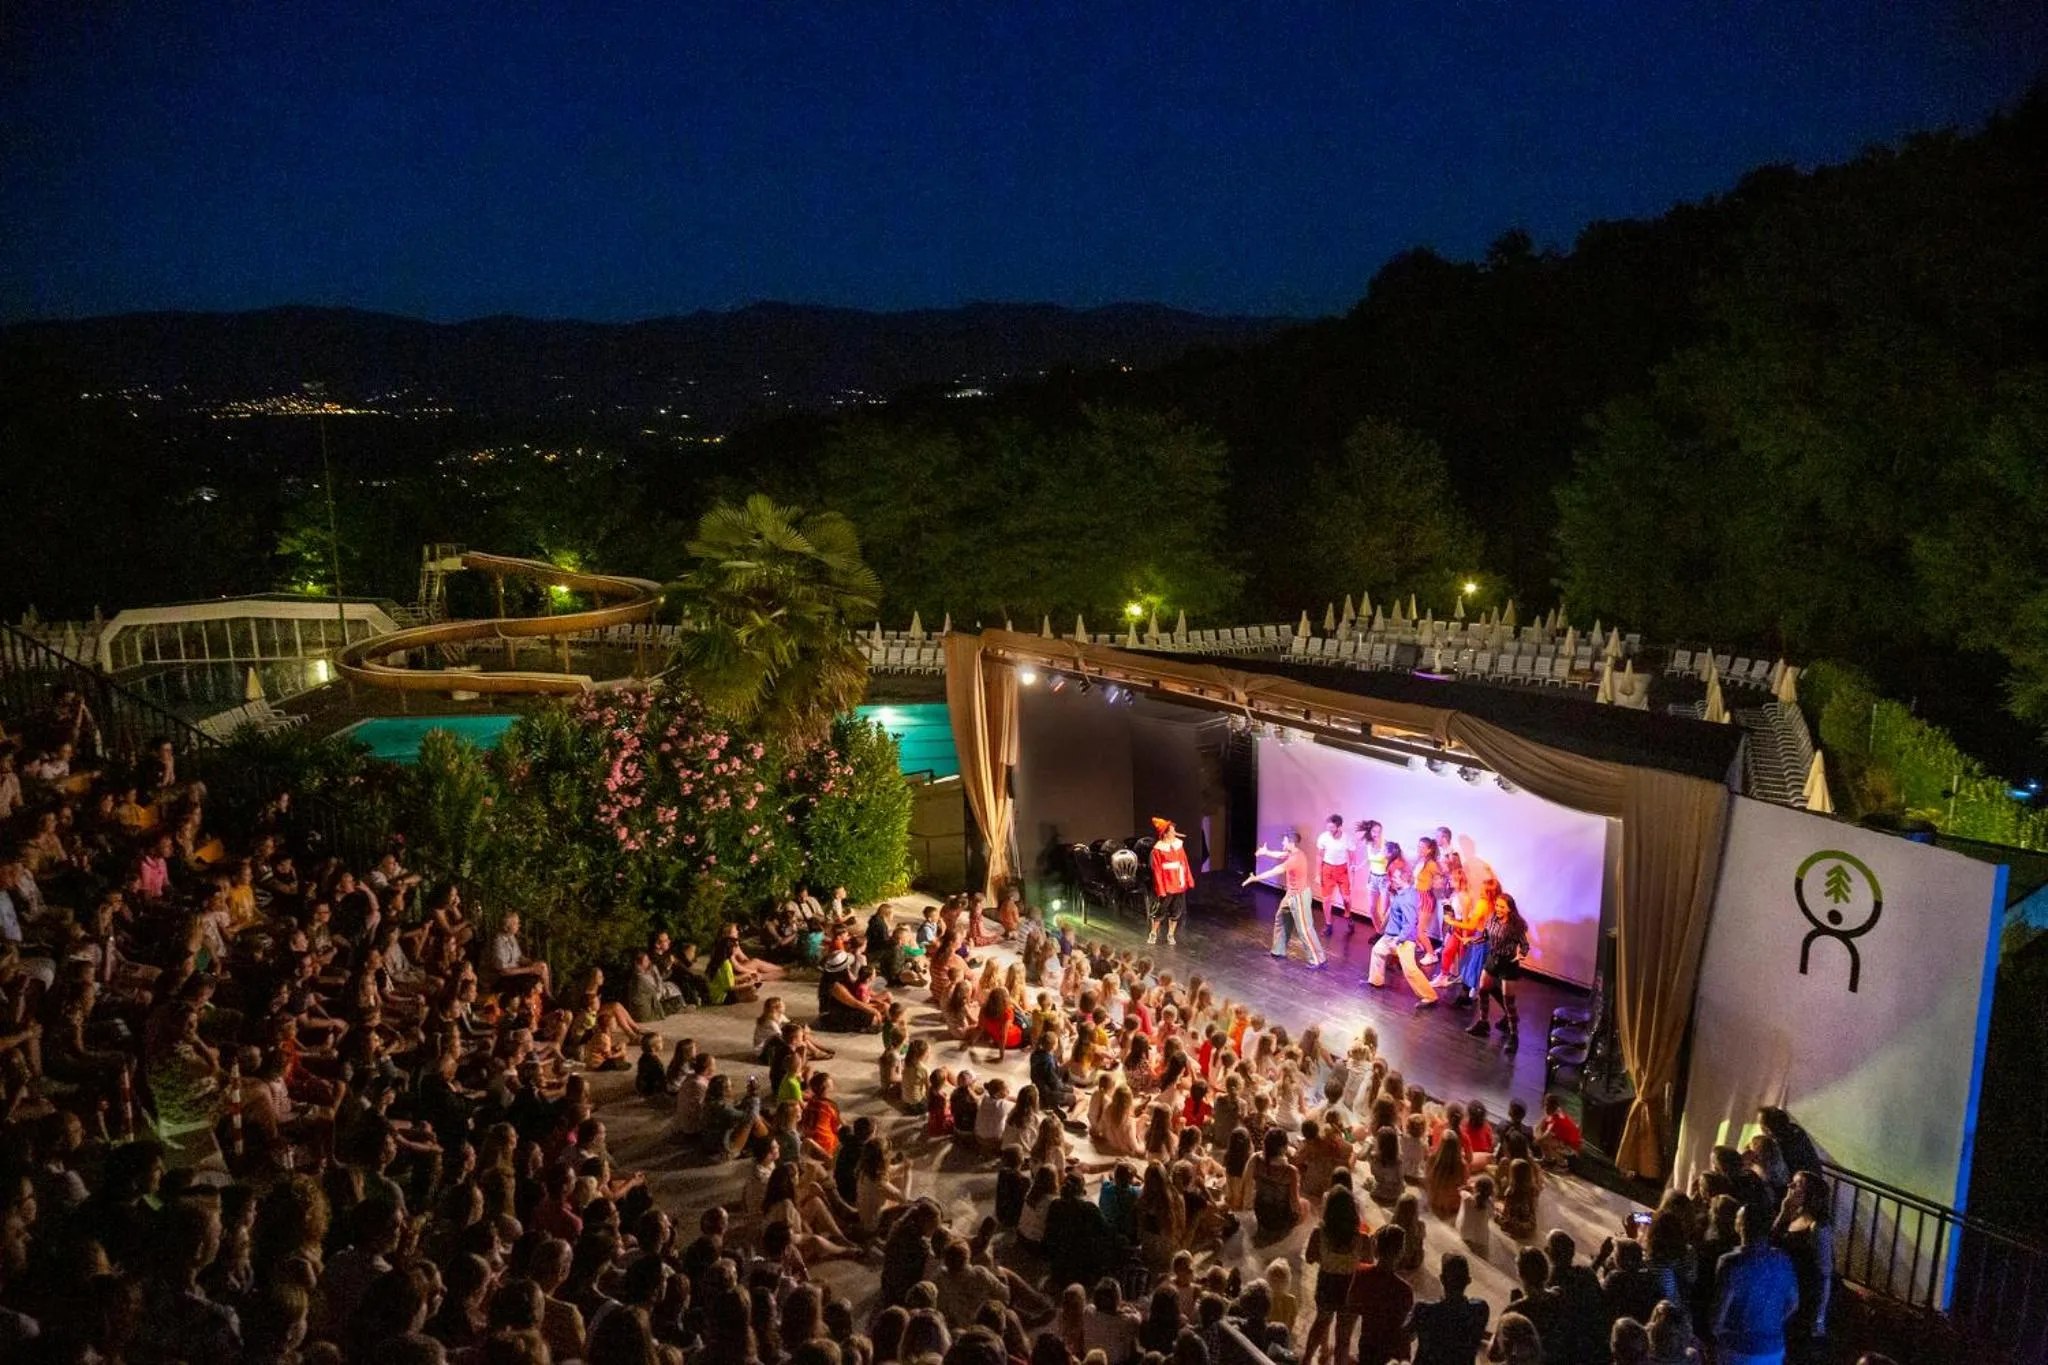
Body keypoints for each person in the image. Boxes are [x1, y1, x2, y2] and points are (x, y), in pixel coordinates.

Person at [1713, 1205, 1800, 1365]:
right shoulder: (1783, 1260)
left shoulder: (1731, 1263)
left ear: (1740, 1226)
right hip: (1773, 1348)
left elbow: (1720, 1311)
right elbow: (1793, 1303)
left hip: (1737, 1349)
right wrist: (1770, 1325)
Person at [1770, 1171, 1833, 1362]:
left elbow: (1825, 1273)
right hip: (1783, 1289)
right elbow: (1772, 1240)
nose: (1790, 1187)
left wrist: (1819, 1317)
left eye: (1797, 1185)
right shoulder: (1793, 1215)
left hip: (1802, 1294)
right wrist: (1783, 1211)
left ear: (1809, 1194)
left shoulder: (1817, 1227)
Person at [1245, 829, 1324, 969]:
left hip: (1299, 896)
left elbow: (1275, 870)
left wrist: (1256, 878)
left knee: (1304, 928)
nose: (1282, 842)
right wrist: (1266, 852)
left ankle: (1318, 959)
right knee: (1281, 918)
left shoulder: (1295, 859)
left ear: (1291, 842)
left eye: (1285, 840)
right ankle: (1278, 950)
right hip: (1290, 894)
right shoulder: (1292, 853)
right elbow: (1279, 854)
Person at [1465, 893, 1531, 1050]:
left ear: (1509, 908)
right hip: (1492, 959)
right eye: (1497, 905)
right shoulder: (1492, 919)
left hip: (1508, 963)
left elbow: (1525, 945)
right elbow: (1485, 937)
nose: (1498, 909)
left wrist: (1521, 955)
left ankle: (1514, 1035)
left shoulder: (1516, 926)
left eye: (1502, 907)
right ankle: (1483, 1023)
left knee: (1509, 1001)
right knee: (1483, 989)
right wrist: (1472, 940)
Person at [1365, 865, 1437, 1007]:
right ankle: (1375, 981)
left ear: (1403, 880)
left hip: (1401, 939)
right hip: (1390, 936)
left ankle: (1430, 996)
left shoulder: (1408, 898)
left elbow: (1410, 922)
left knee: (1410, 970)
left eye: (1396, 878)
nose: (1393, 879)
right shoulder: (1404, 892)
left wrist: (1401, 938)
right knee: (1377, 951)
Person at [1346, 1225, 1415, 1365]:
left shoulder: (1362, 1274)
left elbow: (1351, 1307)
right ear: (1400, 1253)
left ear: (1376, 1248)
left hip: (1368, 1346)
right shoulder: (1405, 1290)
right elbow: (1405, 1330)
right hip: (1394, 1355)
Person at [1409, 1251, 1490, 1365]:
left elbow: (1404, 1336)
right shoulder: (1480, 1310)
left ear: (1442, 1279)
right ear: (1468, 1281)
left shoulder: (1424, 1311)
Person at [1148, 819, 1195, 947]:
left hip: (1178, 881)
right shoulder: (1158, 850)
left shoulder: (1178, 845)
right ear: (1165, 833)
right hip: (1167, 882)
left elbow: (1184, 862)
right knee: (1161, 910)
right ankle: (1153, 932)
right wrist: (1161, 888)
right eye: (1172, 831)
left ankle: (1171, 934)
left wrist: (1188, 879)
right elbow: (1157, 870)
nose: (1174, 832)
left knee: (1176, 910)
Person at [1313, 814, 1352, 933]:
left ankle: (1348, 914)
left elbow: (1352, 855)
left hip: (1342, 869)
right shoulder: (1324, 837)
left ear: (1339, 827)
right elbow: (1319, 855)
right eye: (1328, 828)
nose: (1329, 830)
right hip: (1327, 869)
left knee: (1346, 898)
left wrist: (1352, 871)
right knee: (1326, 899)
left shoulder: (1346, 838)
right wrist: (1318, 874)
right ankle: (1328, 924)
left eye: (1332, 828)